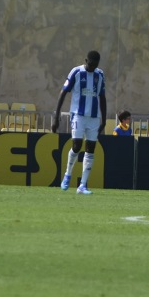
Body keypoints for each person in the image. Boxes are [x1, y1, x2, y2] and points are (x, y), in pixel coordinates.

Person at [52, 50, 107, 195]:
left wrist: (104, 119)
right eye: (91, 64)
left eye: (96, 64)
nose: (93, 67)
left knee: (90, 149)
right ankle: (67, 174)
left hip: (94, 118)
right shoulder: (76, 72)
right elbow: (63, 93)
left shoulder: (100, 74)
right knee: (76, 146)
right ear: (86, 60)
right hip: (78, 115)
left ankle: (82, 185)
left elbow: (102, 97)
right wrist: (56, 116)